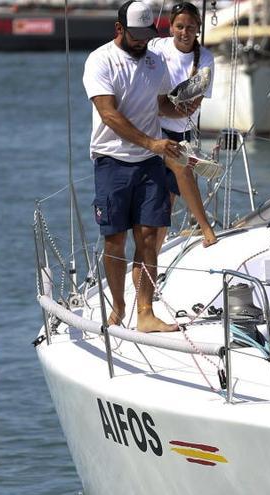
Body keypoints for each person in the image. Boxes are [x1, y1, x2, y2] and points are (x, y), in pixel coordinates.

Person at [83, 1, 194, 332]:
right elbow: (109, 114)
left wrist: (182, 108)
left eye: (148, 35)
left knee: (148, 238)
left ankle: (145, 312)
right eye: (136, 35)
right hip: (111, 161)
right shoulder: (100, 61)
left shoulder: (154, 61)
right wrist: (152, 143)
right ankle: (118, 307)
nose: (143, 41)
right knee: (114, 239)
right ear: (119, 30)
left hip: (148, 163)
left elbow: (160, 104)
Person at [149, 2, 217, 249]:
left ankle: (154, 252)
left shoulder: (206, 58)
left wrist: (166, 104)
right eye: (179, 26)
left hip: (183, 131)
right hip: (155, 130)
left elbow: (191, 106)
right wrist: (165, 104)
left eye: (190, 27)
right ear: (171, 27)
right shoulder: (156, 47)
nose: (184, 32)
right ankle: (207, 229)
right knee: (182, 168)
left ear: (198, 28)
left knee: (166, 203)